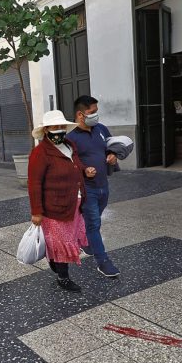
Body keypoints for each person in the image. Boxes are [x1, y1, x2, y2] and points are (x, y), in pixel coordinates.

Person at [28, 110, 96, 292]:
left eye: (61, 127)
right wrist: (36, 211)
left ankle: (54, 261)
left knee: (64, 241)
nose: (59, 130)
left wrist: (84, 170)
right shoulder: (40, 152)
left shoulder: (69, 145)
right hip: (54, 208)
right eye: (54, 127)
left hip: (74, 203)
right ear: (46, 130)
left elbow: (75, 164)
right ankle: (63, 277)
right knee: (60, 243)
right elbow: (34, 183)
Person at [67, 95, 120, 277]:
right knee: (94, 223)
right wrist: (83, 171)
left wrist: (113, 154)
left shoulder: (101, 129)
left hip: (103, 185)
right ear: (80, 115)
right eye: (92, 112)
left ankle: (86, 241)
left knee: (94, 218)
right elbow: (68, 164)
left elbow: (112, 146)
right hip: (86, 188)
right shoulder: (71, 138)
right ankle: (103, 261)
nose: (96, 116)